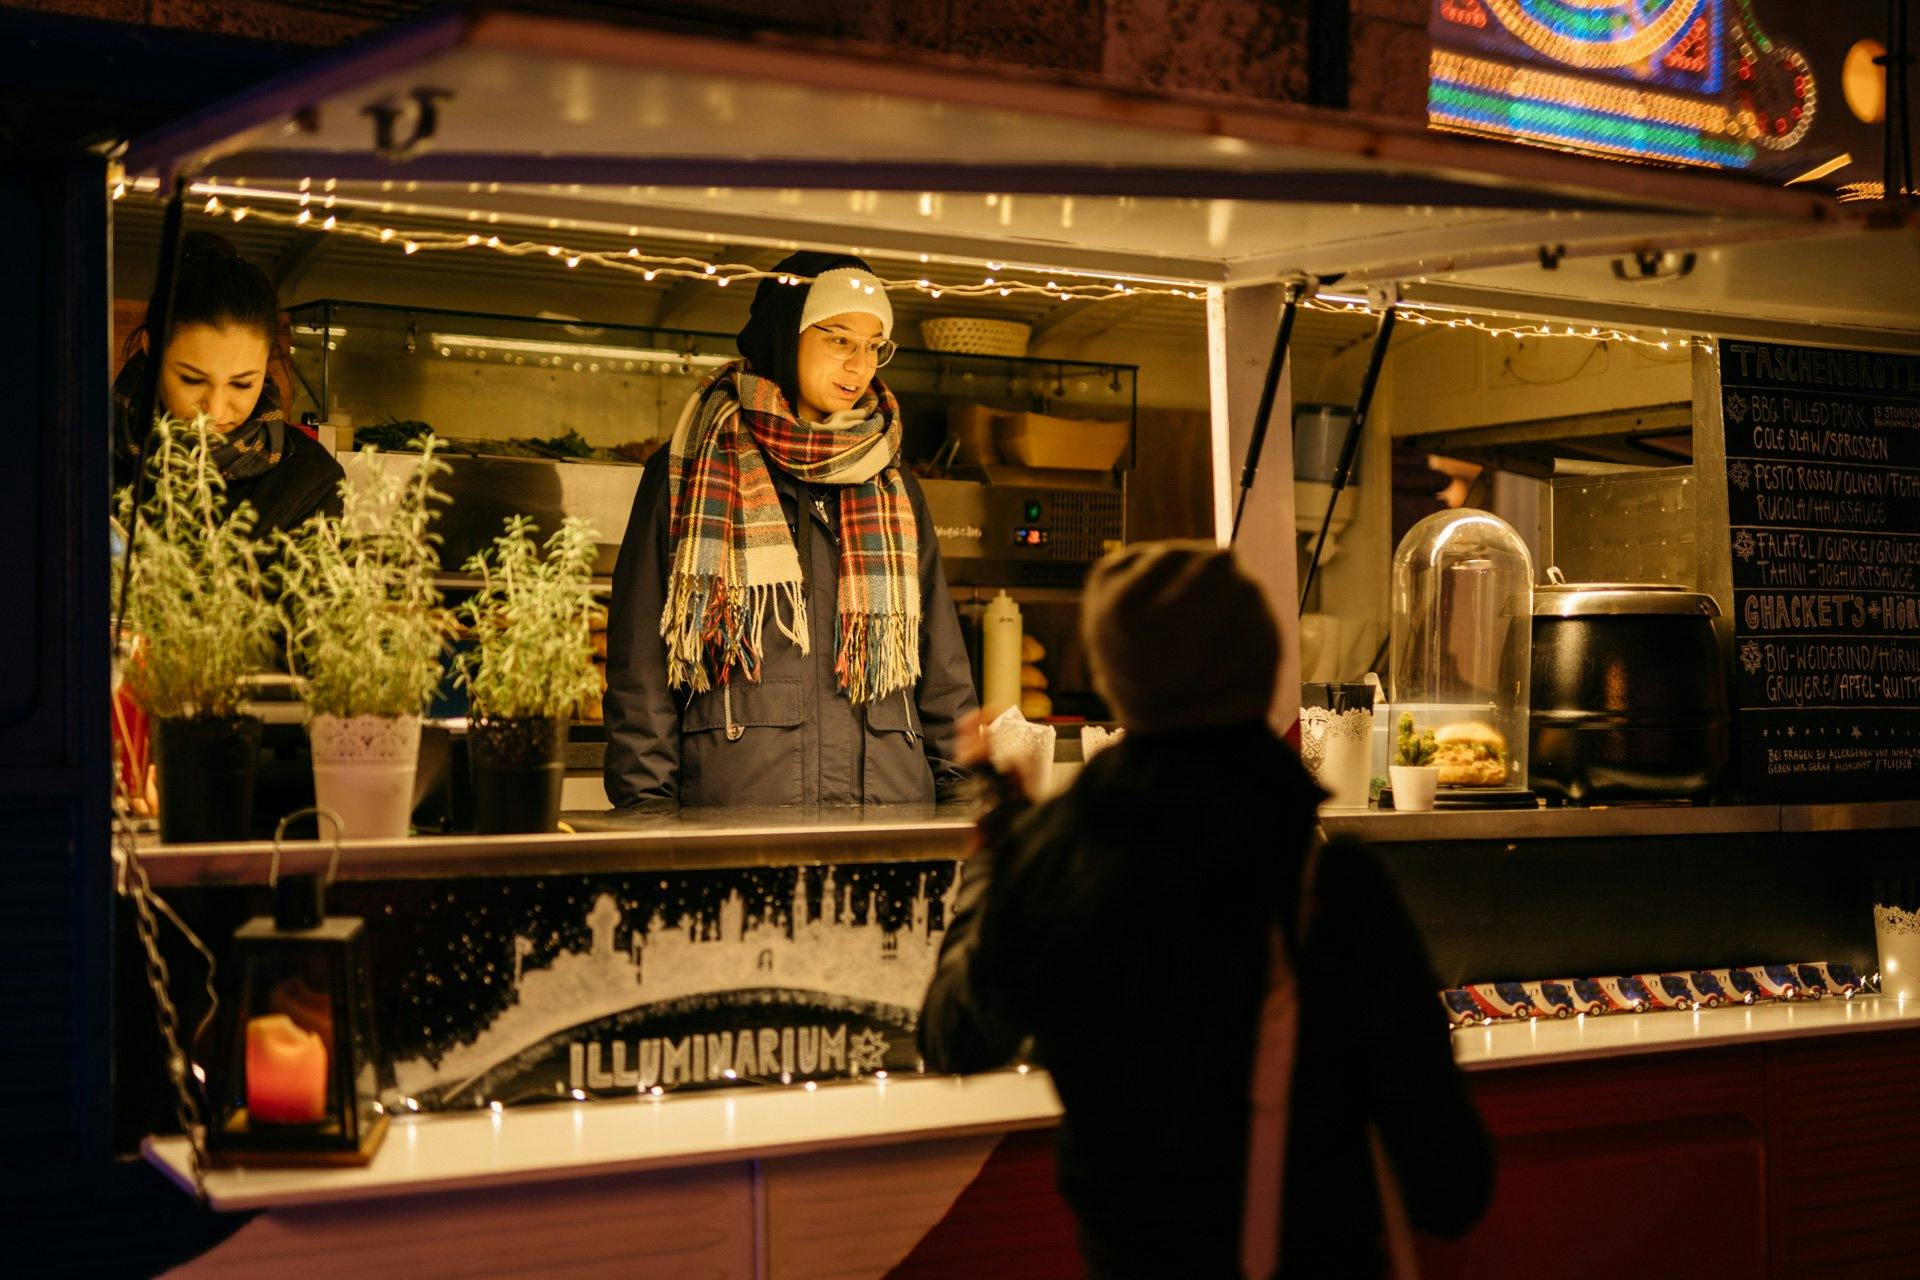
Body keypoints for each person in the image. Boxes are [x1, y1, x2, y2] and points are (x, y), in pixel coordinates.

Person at [918, 541, 1494, 1279]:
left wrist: (1000, 850)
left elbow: (954, 1037)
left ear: (1113, 680)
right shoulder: (1333, 888)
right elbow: (1451, 1185)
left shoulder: (1061, 866)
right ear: (1263, 673)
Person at [603, 251, 976, 808]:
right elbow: (641, 667)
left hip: (889, 812)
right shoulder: (694, 467)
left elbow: (942, 669)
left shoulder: (892, 481)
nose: (860, 365)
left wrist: (967, 805)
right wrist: (647, 813)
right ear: (786, 336)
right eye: (840, 340)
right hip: (740, 814)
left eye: (874, 345)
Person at [113, 230, 343, 536]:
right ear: (151, 349)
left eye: (242, 384)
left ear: (267, 363)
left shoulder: (307, 480)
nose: (215, 410)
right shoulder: (84, 452)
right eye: (192, 380)